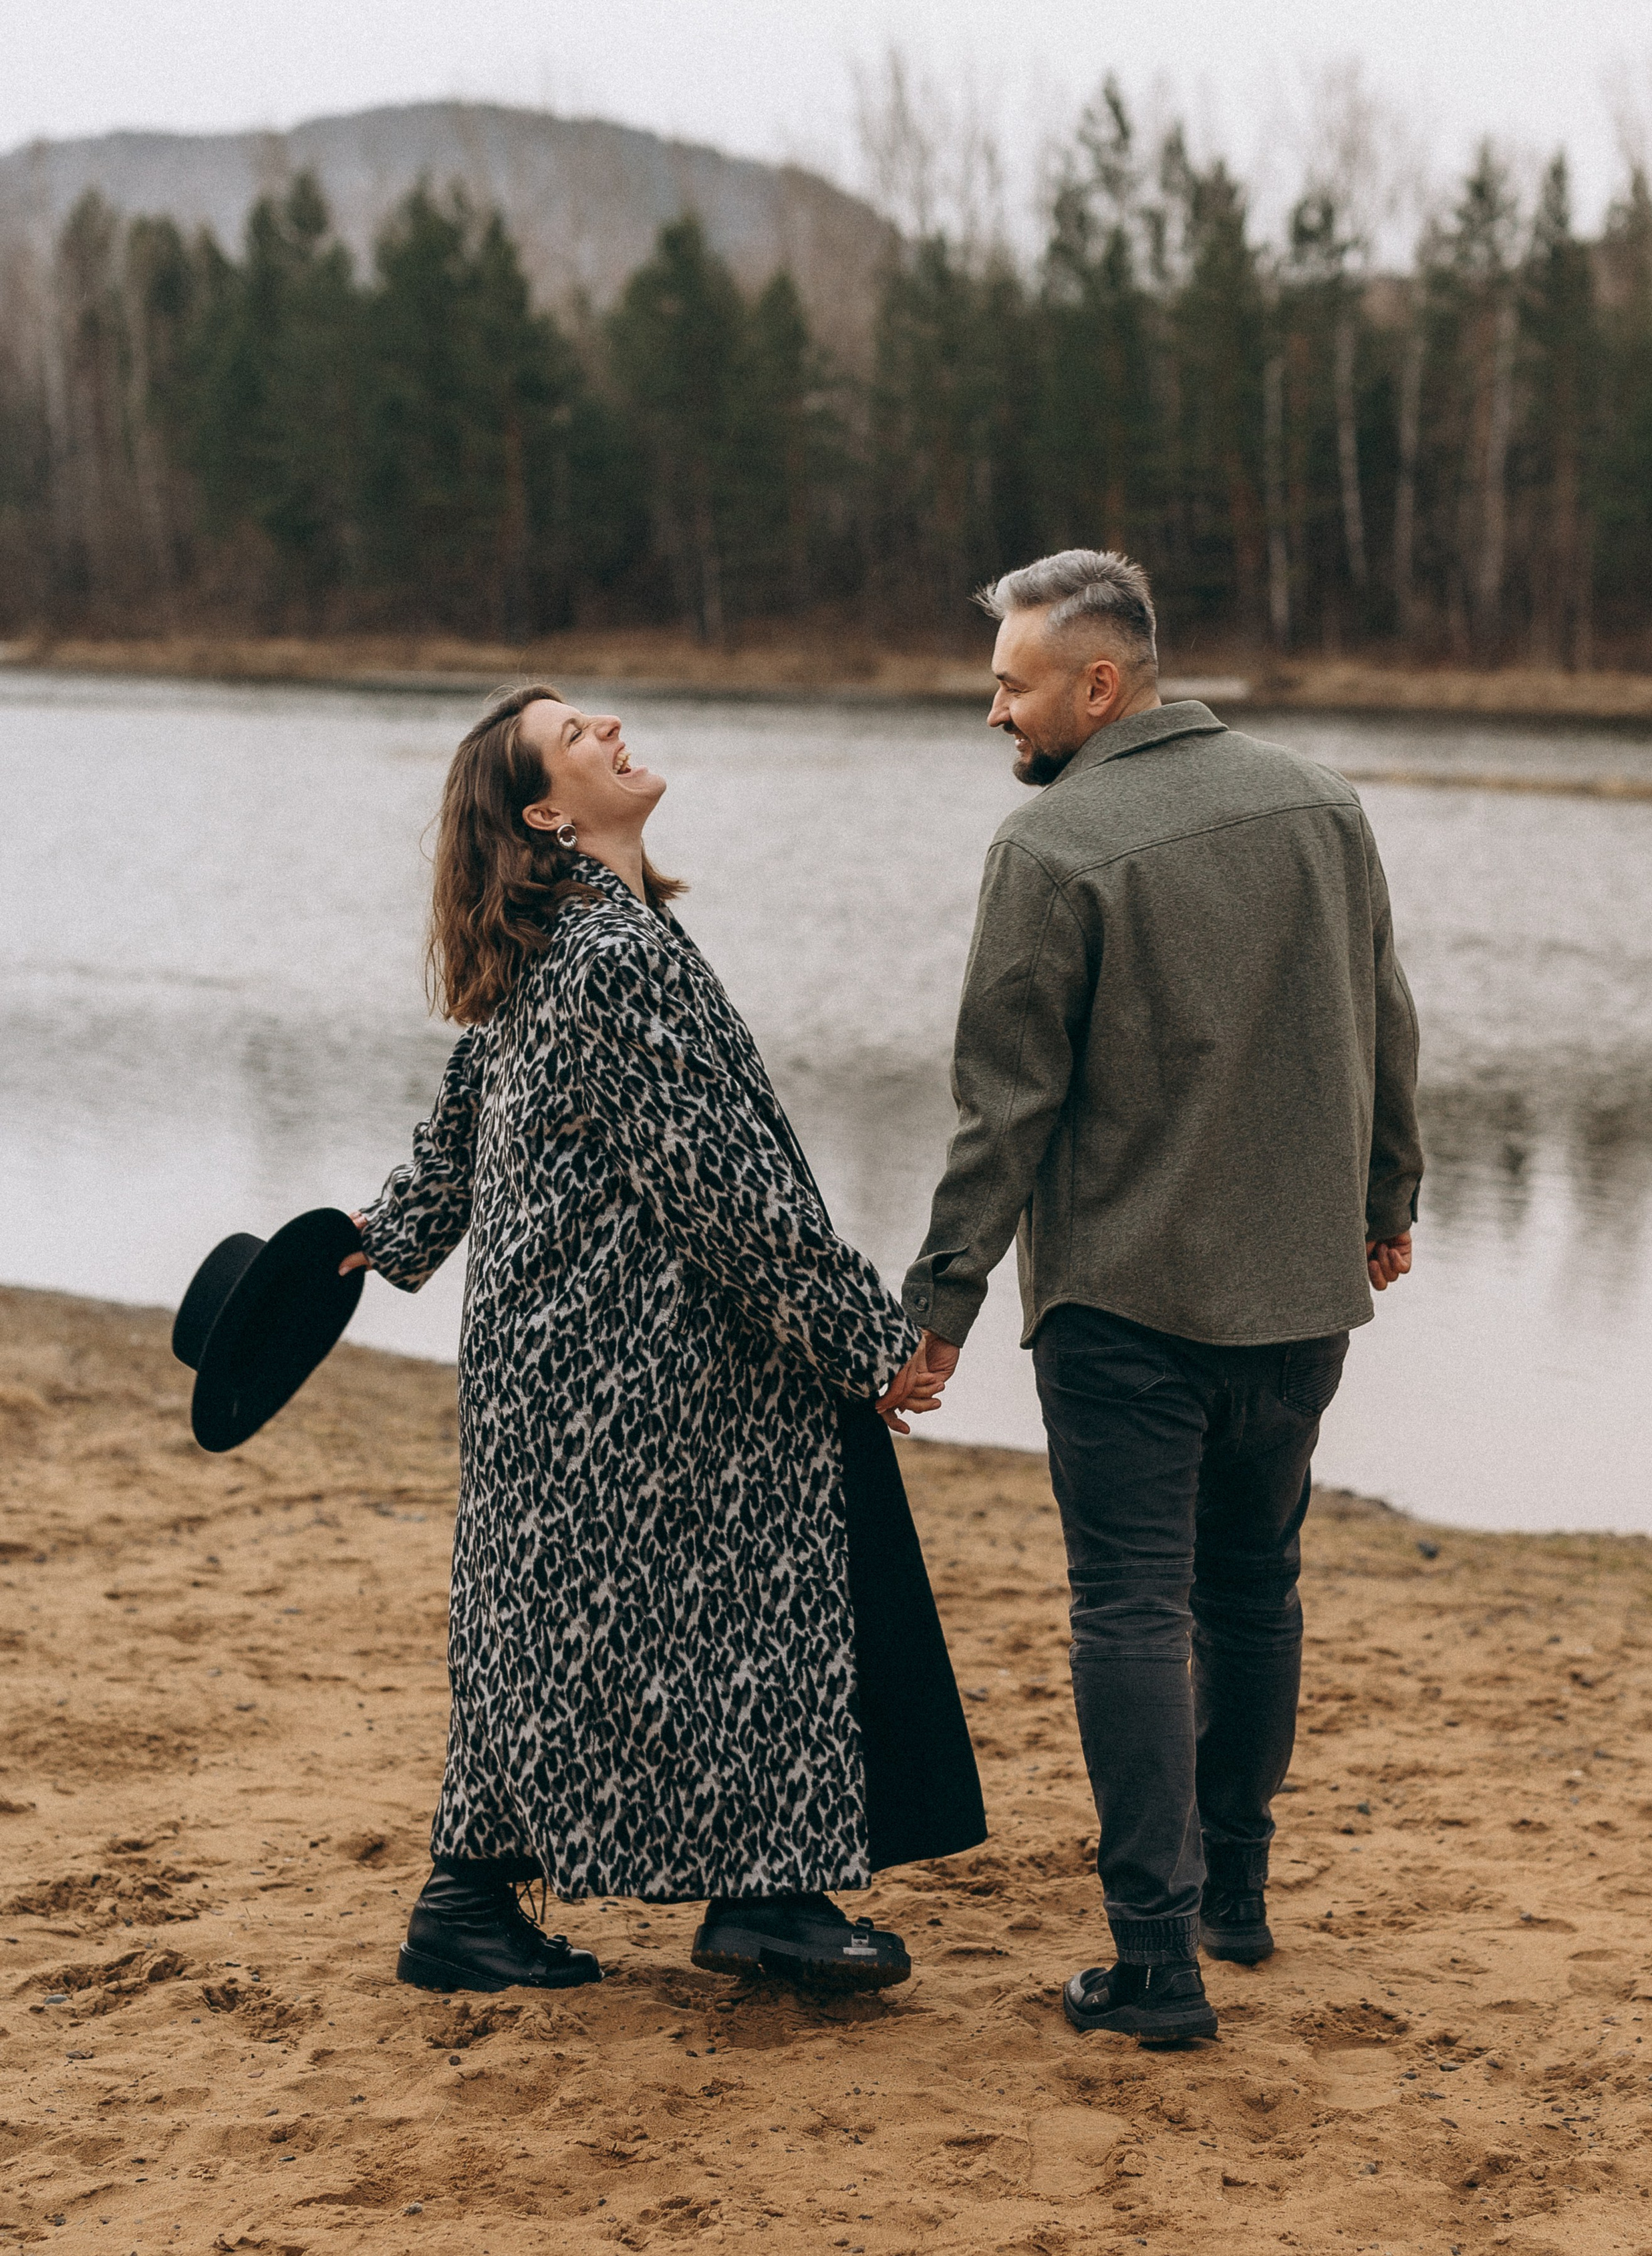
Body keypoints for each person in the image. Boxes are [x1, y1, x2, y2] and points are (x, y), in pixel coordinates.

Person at [345, 684, 980, 1998]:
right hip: (640, 1370)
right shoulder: (610, 956)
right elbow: (727, 1188)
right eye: (575, 735)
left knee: (548, 1627)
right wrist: (869, 1344)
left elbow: (452, 1146)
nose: (608, 730)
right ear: (543, 810)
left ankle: (469, 1903)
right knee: (755, 1595)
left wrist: (374, 1238)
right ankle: (775, 1900)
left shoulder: (570, 944)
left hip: (545, 1364)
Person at [899, 551, 1421, 2045]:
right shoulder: (1321, 802)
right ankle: (1231, 1899)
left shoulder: (1054, 848)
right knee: (1252, 1587)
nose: (991, 709)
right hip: (1296, 1298)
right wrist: (1384, 1201)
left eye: (1009, 683)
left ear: (1097, 685)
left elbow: (1002, 1109)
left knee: (1128, 1605)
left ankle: (1154, 1963)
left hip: (1125, 1305)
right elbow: (1385, 1018)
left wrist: (936, 1308)